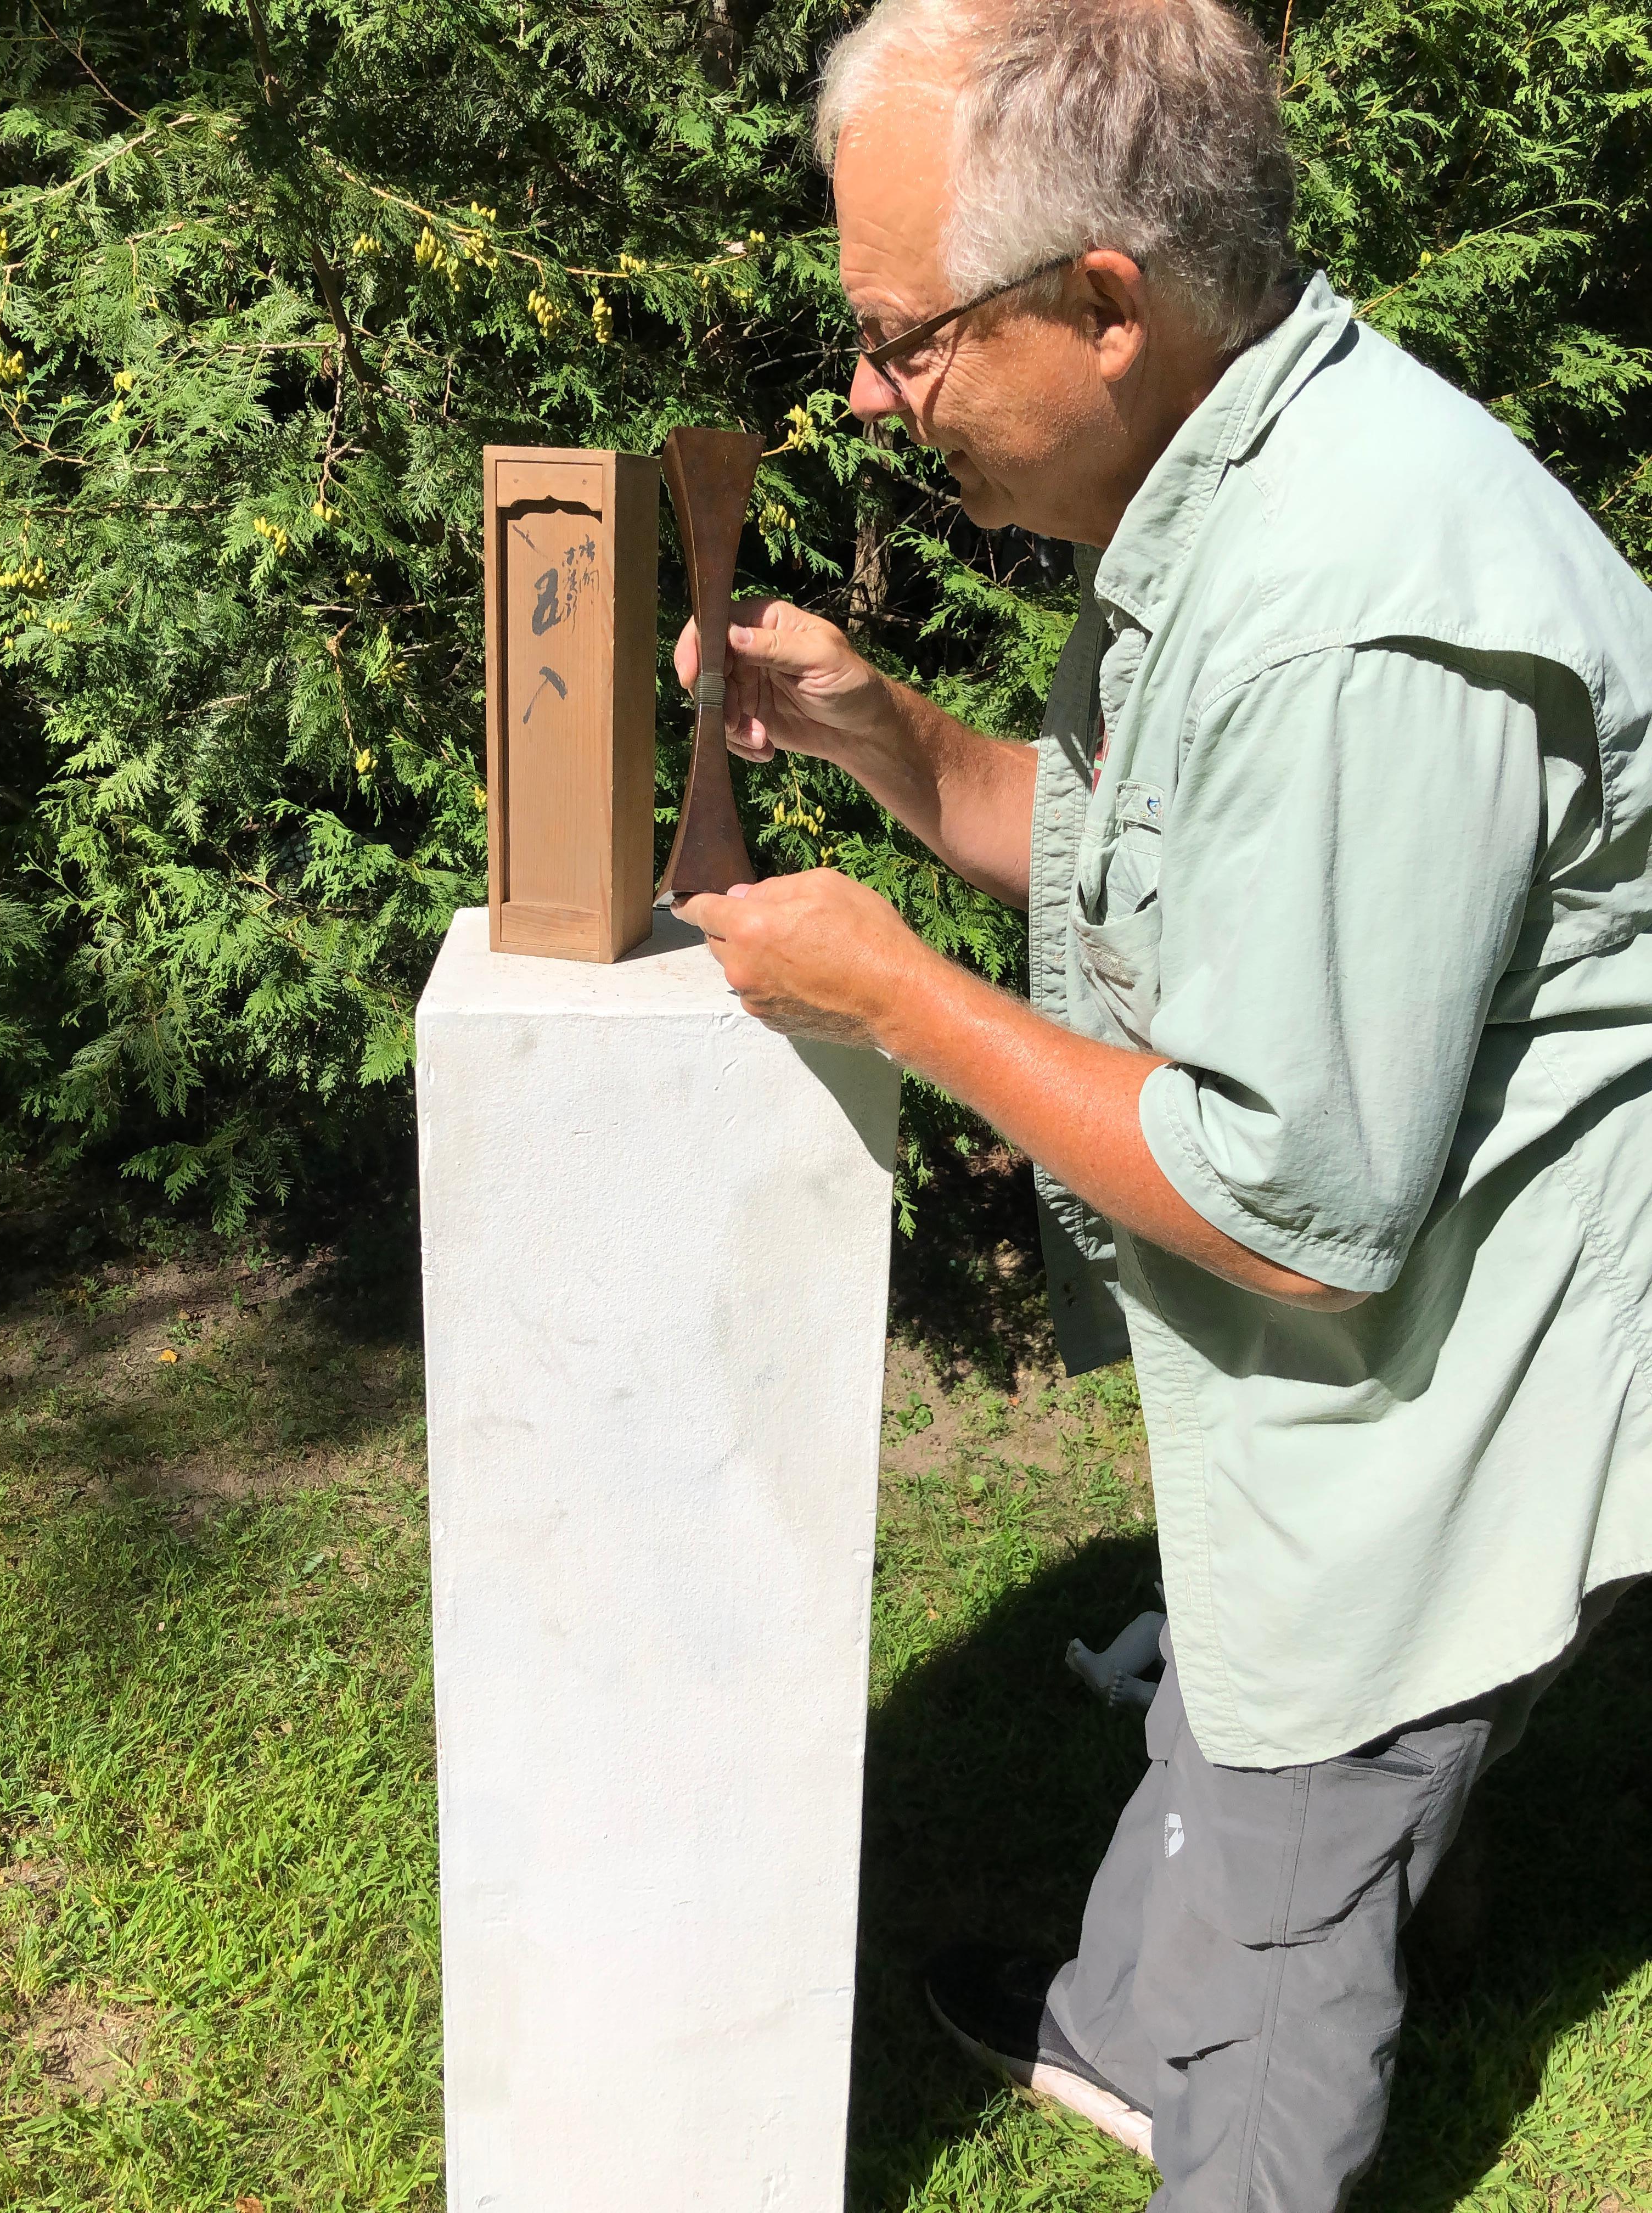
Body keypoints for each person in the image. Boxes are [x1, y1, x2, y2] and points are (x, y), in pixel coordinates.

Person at [671, 0, 1652, 2204]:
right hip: (1357, 1334)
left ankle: (1240, 2116)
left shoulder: (1346, 613)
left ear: (1102, 305)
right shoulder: (1241, 466)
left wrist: (892, 991)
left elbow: (1299, 1211)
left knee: (1311, 1789)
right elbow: (1146, 850)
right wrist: (885, 740)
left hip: (1449, 1375)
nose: (866, 393)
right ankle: (1123, 2030)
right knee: (1248, 1679)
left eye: (898, 335)